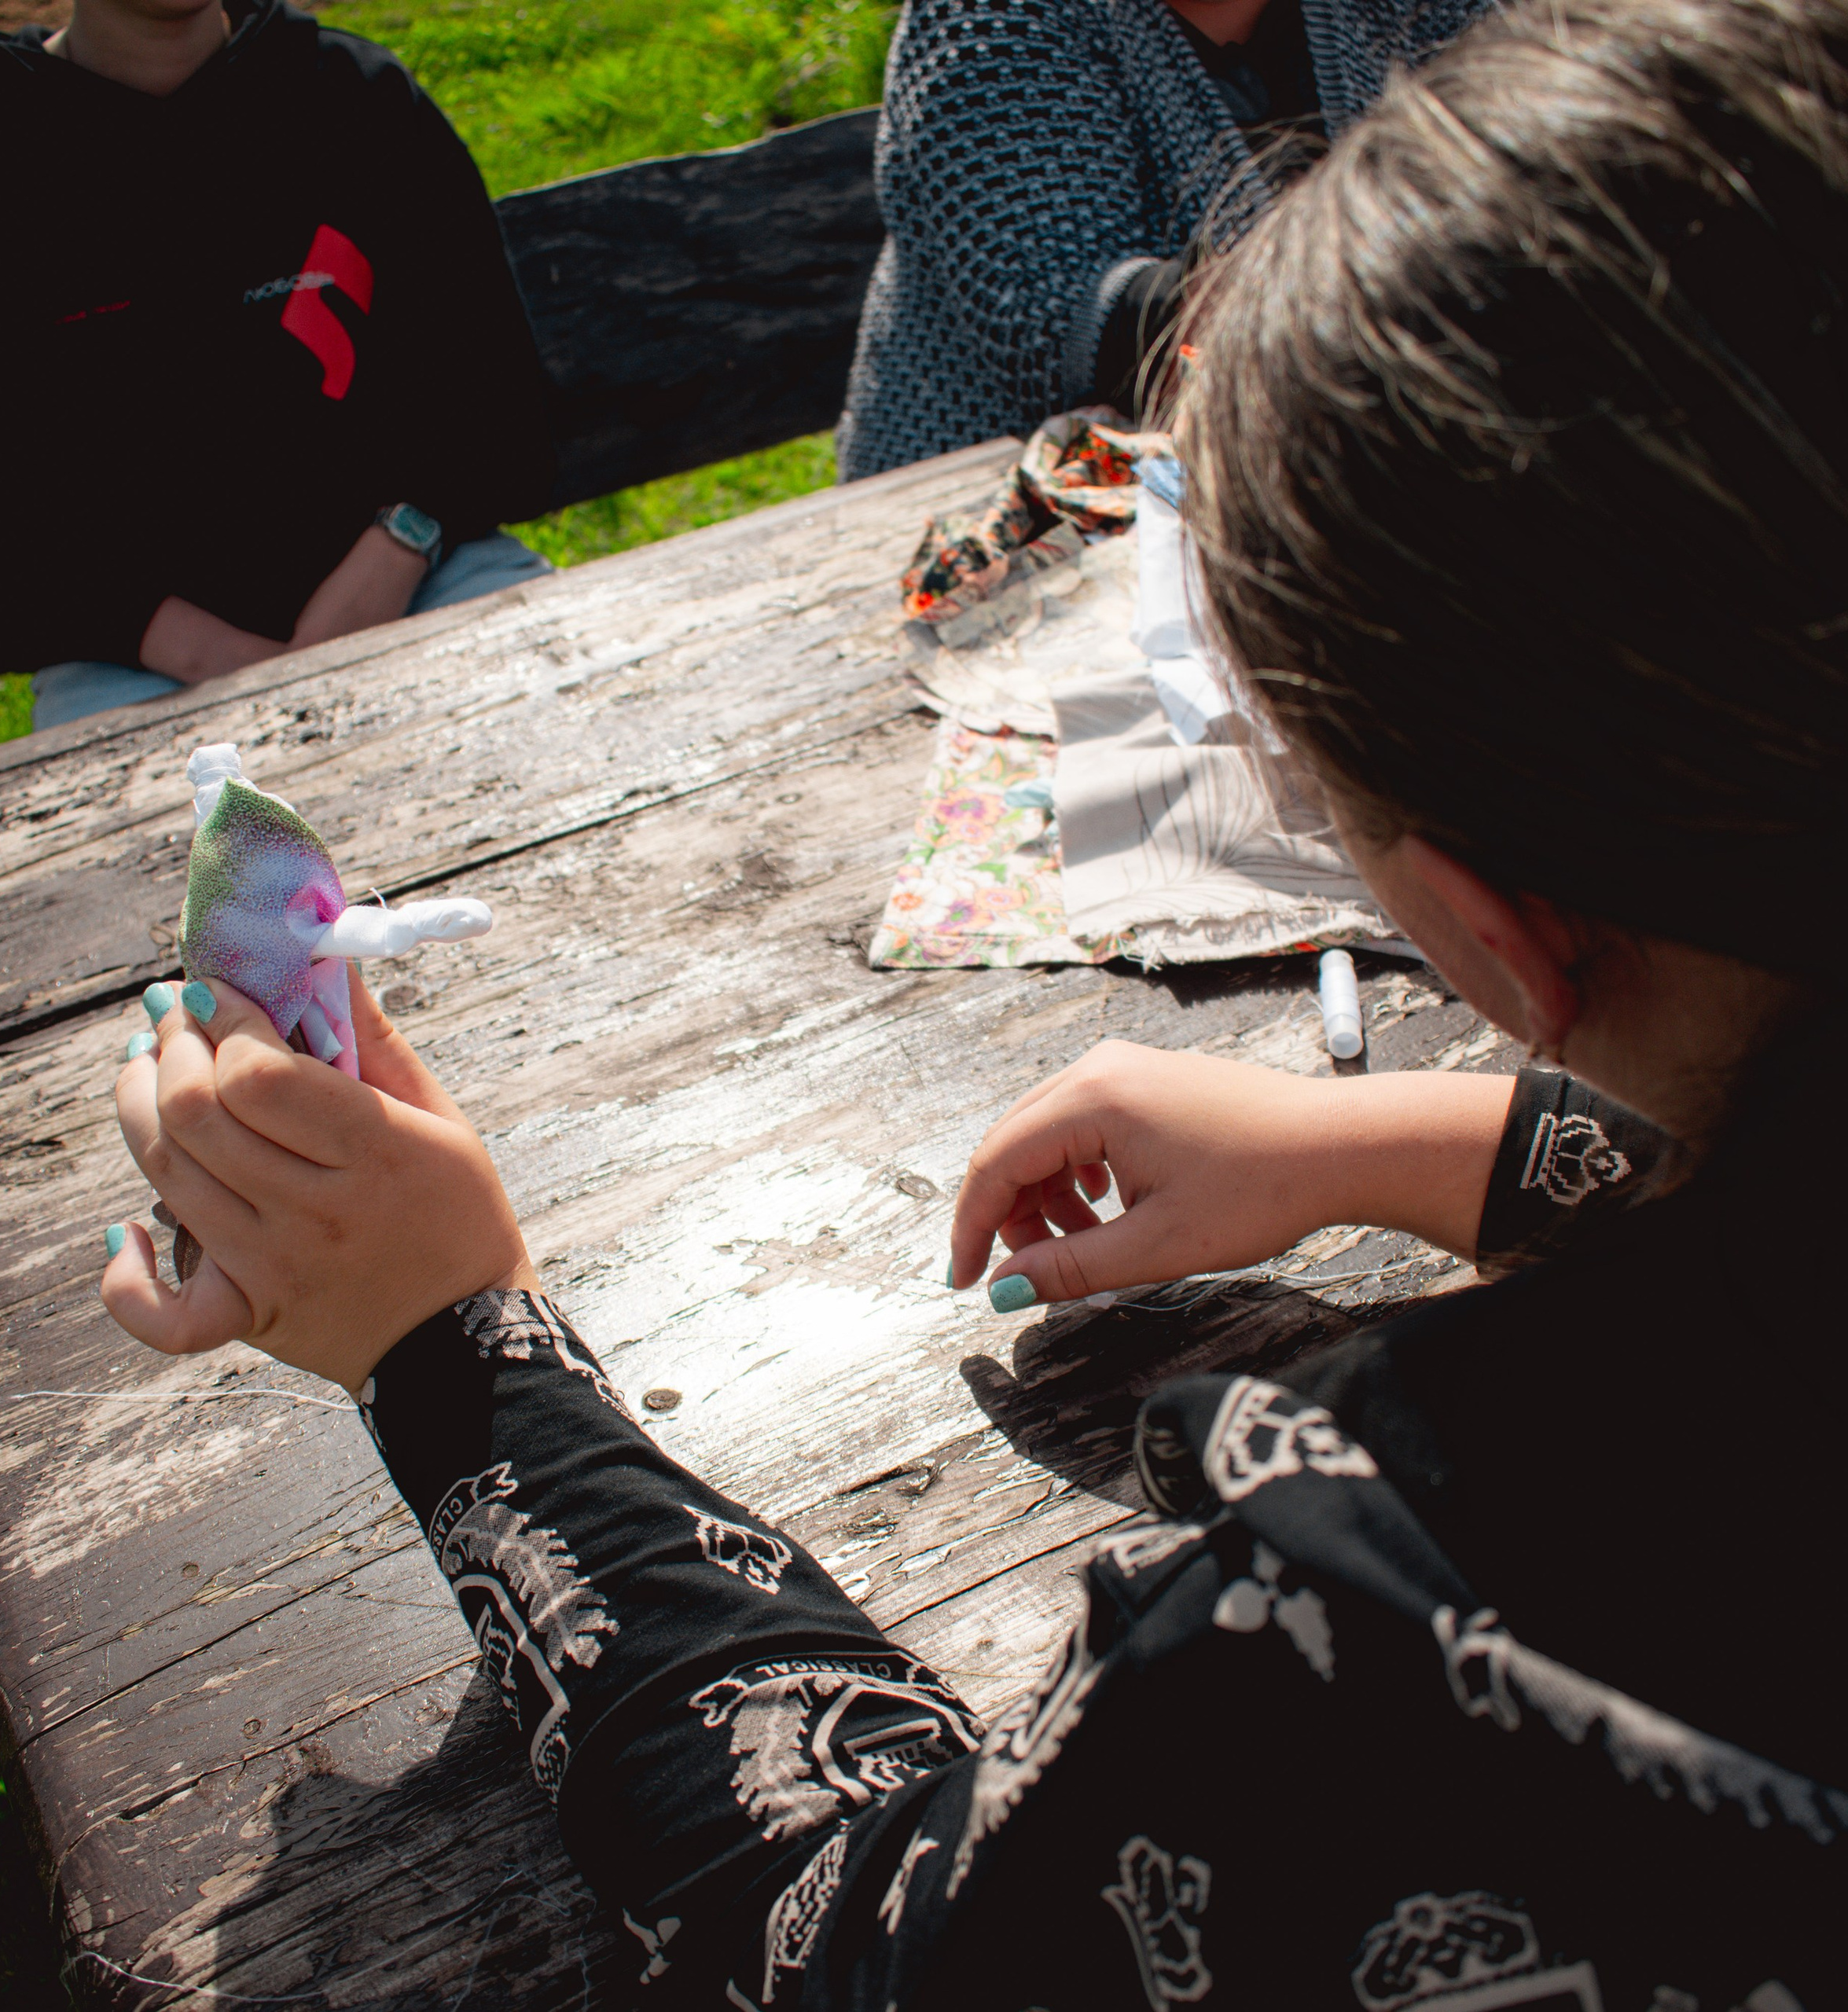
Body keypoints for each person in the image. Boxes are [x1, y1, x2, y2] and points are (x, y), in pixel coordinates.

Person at [101, 0, 1846, 2001]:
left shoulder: (1416, 1628)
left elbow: (852, 1932)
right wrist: (1412, 1138)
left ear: (1487, 925)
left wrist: (447, 1342)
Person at [0, 0, 557, 732]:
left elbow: (489, 385)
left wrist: (399, 548)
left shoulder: (355, 96)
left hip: (429, 574)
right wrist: (215, 657)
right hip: (133, 662)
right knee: (174, 815)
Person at [834, 0, 1496, 479]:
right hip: (1012, 522)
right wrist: (1394, 272)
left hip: (1354, 465)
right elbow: (1057, 326)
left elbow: (1516, 158)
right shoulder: (986, 20)